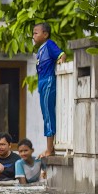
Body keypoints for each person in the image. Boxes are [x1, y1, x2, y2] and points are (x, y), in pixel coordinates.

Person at [32, 22, 65, 157]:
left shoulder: (49, 44)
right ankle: (49, 147)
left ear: (45, 34)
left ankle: (49, 149)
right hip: (42, 82)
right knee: (45, 114)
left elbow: (61, 54)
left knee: (48, 115)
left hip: (48, 81)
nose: (33, 36)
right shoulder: (40, 49)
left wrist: (61, 60)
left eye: (36, 33)